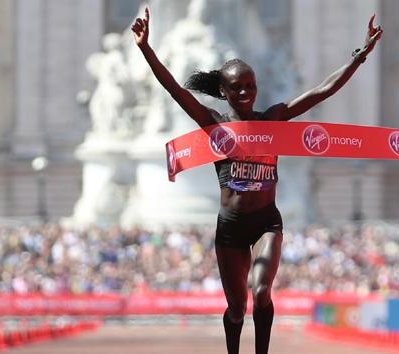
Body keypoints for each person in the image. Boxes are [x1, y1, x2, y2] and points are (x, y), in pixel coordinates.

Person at [131, 8, 382, 354]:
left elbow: (321, 91)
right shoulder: (215, 124)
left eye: (251, 86)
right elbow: (175, 90)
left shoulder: (273, 118)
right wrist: (146, 48)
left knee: (261, 291)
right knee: (236, 309)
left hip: (266, 222)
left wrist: (360, 55)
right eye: (238, 88)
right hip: (230, 228)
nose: (247, 92)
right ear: (224, 91)